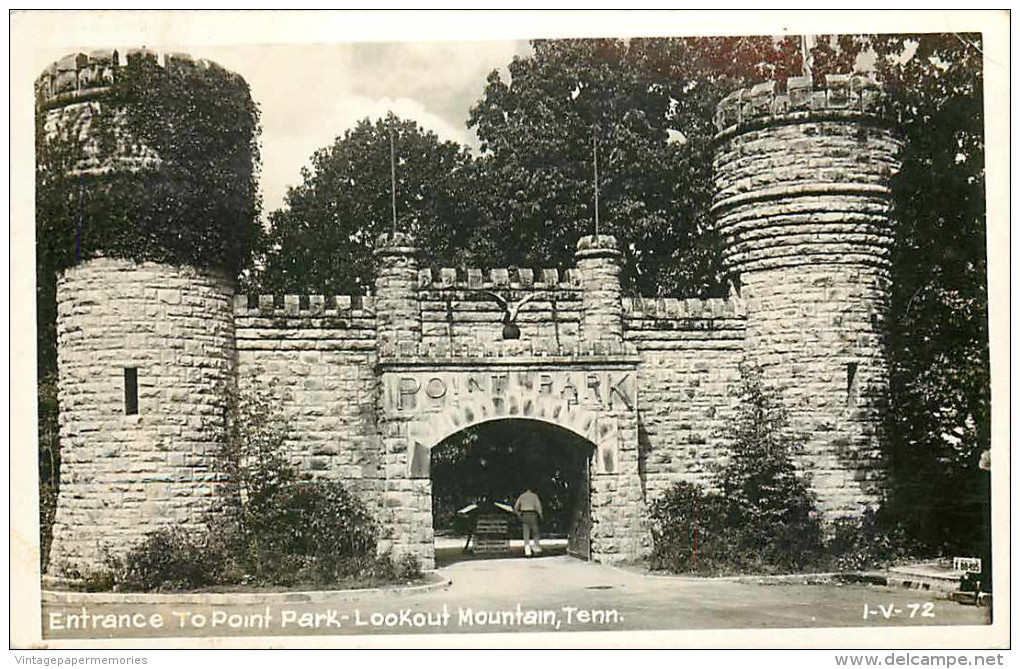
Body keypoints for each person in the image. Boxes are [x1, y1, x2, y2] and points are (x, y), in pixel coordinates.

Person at [513, 487, 543, 557]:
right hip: (532, 514)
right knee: (535, 532)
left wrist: (519, 514)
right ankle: (536, 548)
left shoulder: (522, 496)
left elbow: (516, 507)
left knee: (526, 532)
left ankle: (527, 551)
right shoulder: (534, 496)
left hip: (524, 514)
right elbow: (538, 506)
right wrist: (541, 515)